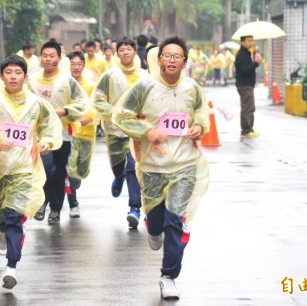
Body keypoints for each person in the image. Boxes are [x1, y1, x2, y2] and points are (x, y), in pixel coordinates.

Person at [112, 35, 210, 300]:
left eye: (177, 56)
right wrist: (148, 131)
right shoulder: (145, 87)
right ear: (159, 59)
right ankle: (152, 229)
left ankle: (168, 276)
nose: (171, 60)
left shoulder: (192, 88)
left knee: (175, 220)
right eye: (167, 55)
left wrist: (199, 126)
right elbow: (121, 116)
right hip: (154, 165)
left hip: (185, 165)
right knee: (156, 223)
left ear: (184, 62)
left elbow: (202, 112)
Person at [0, 55, 62, 290]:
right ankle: (1, 229)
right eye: (8, 72)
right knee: (2, 218)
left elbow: (49, 125)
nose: (13, 76)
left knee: (14, 216)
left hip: (24, 170)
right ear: (2, 76)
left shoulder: (36, 103)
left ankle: (11, 266)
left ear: (25, 76)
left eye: (17, 72)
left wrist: (48, 141)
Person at [29, 41, 88, 225]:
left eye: (51, 55)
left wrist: (63, 111)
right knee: (46, 169)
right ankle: (42, 201)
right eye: (45, 55)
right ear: (41, 57)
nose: (48, 59)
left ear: (59, 58)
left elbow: (81, 104)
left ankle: (55, 209)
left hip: (64, 135)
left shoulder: (67, 81)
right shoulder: (32, 80)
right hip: (39, 135)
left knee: (59, 172)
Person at [92, 37, 148, 228]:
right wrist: (115, 113)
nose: (125, 52)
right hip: (115, 130)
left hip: (137, 131)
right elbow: (98, 100)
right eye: (122, 50)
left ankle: (134, 208)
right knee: (119, 166)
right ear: (117, 53)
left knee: (132, 166)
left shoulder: (145, 76)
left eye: (129, 49)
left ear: (135, 52)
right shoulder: (109, 76)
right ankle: (118, 177)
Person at [65, 51, 98, 218]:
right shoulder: (64, 84)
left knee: (81, 171)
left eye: (78, 64)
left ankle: (75, 180)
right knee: (69, 168)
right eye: (72, 63)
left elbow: (96, 108)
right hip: (69, 133)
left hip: (86, 132)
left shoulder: (91, 85)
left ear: (83, 66)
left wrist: (84, 120)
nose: (75, 67)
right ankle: (73, 204)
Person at [234, 35, 263, 138]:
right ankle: (246, 130)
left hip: (247, 84)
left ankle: (249, 129)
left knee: (249, 107)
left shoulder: (246, 53)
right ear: (242, 42)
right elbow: (245, 69)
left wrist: (255, 62)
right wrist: (256, 63)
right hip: (244, 85)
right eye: (248, 40)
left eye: (252, 40)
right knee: (247, 107)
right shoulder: (241, 54)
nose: (251, 42)